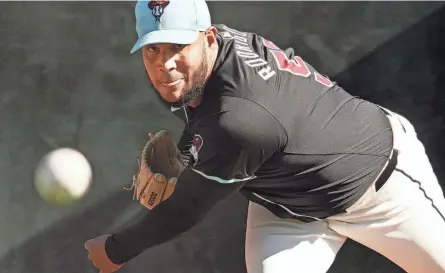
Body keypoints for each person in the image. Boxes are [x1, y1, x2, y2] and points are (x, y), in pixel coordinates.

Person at [84, 0, 445, 272]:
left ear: (208, 38)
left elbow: (187, 209)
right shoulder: (216, 53)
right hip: (285, 204)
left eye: (178, 46)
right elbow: (212, 126)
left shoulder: (241, 119)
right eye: (153, 49)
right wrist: (189, 157)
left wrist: (115, 250)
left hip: (379, 185)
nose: (164, 63)